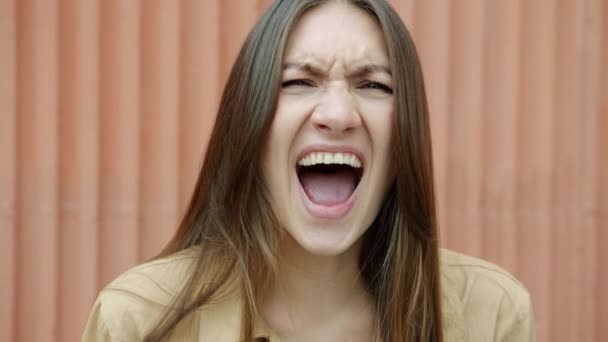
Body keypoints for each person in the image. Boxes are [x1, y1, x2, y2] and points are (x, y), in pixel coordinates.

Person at [82, 0, 535, 341]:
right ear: (249, 128)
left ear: (404, 140)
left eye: (374, 84)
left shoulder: (490, 315)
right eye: (299, 81)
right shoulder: (138, 322)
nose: (338, 114)